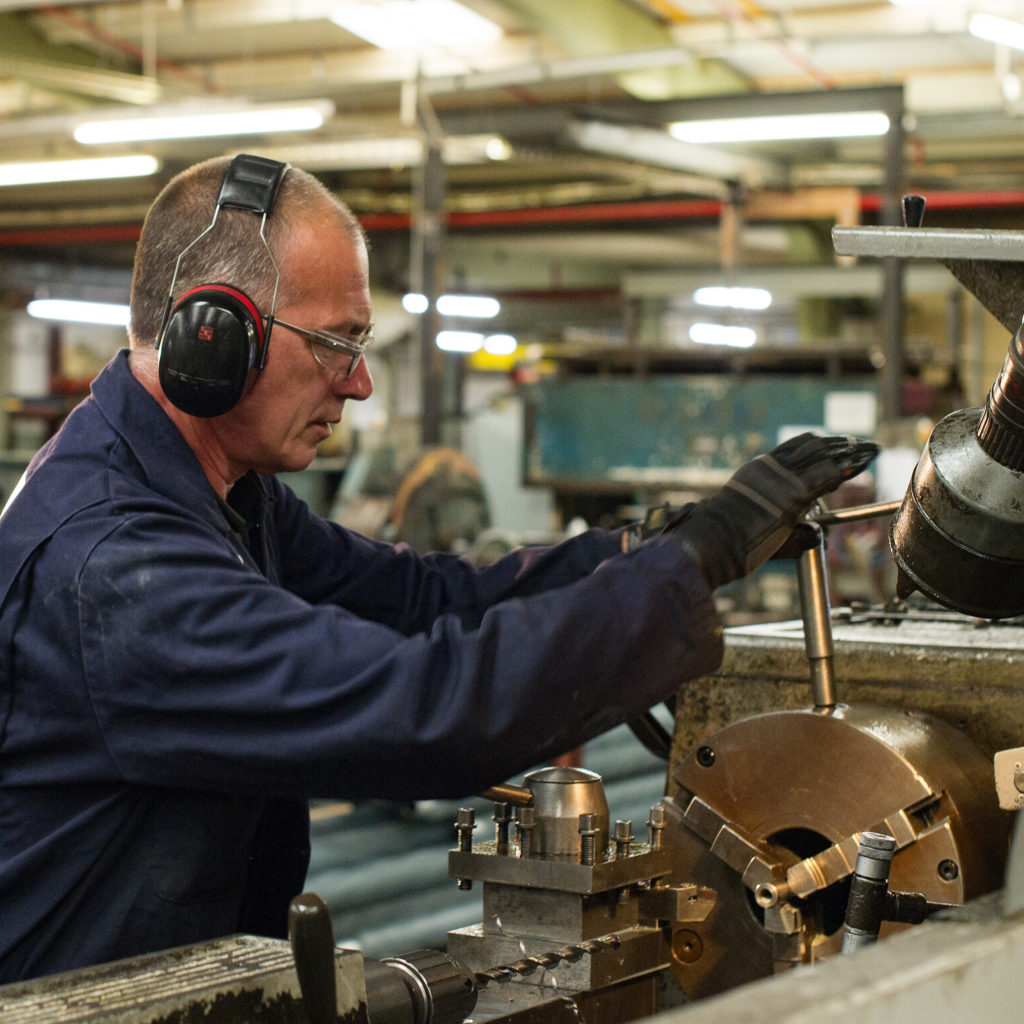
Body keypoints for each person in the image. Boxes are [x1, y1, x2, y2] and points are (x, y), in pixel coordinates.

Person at [0, 154, 877, 982]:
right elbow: (419, 711)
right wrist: (684, 571)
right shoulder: (114, 566)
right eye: (336, 343)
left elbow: (418, 601)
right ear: (215, 337)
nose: (359, 385)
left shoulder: (223, 494)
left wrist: (646, 550)